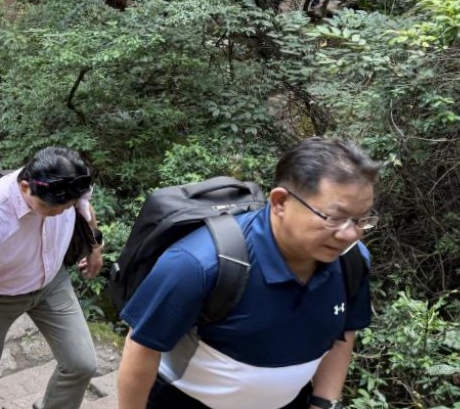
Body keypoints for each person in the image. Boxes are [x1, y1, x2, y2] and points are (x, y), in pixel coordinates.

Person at [116, 138, 379, 409]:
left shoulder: (351, 261)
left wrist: (323, 403)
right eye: (334, 218)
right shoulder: (198, 264)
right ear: (280, 202)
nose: (350, 234)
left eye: (362, 220)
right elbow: (143, 347)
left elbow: (344, 334)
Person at [0, 147, 103, 409]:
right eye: (51, 209)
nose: (60, 213)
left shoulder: (71, 185)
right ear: (25, 187)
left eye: (66, 208)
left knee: (82, 364)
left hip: (52, 284)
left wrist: (95, 246)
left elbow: (84, 208)